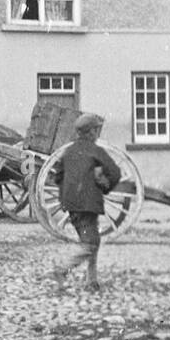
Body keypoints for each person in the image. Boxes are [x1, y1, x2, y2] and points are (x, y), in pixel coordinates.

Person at [53, 112, 122, 292]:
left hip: (72, 205)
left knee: (91, 239)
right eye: (97, 130)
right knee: (90, 243)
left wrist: (65, 195)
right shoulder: (96, 151)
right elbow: (115, 172)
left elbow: (58, 176)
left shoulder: (68, 151)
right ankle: (63, 269)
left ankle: (92, 281)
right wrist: (105, 186)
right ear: (91, 133)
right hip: (88, 204)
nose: (97, 134)